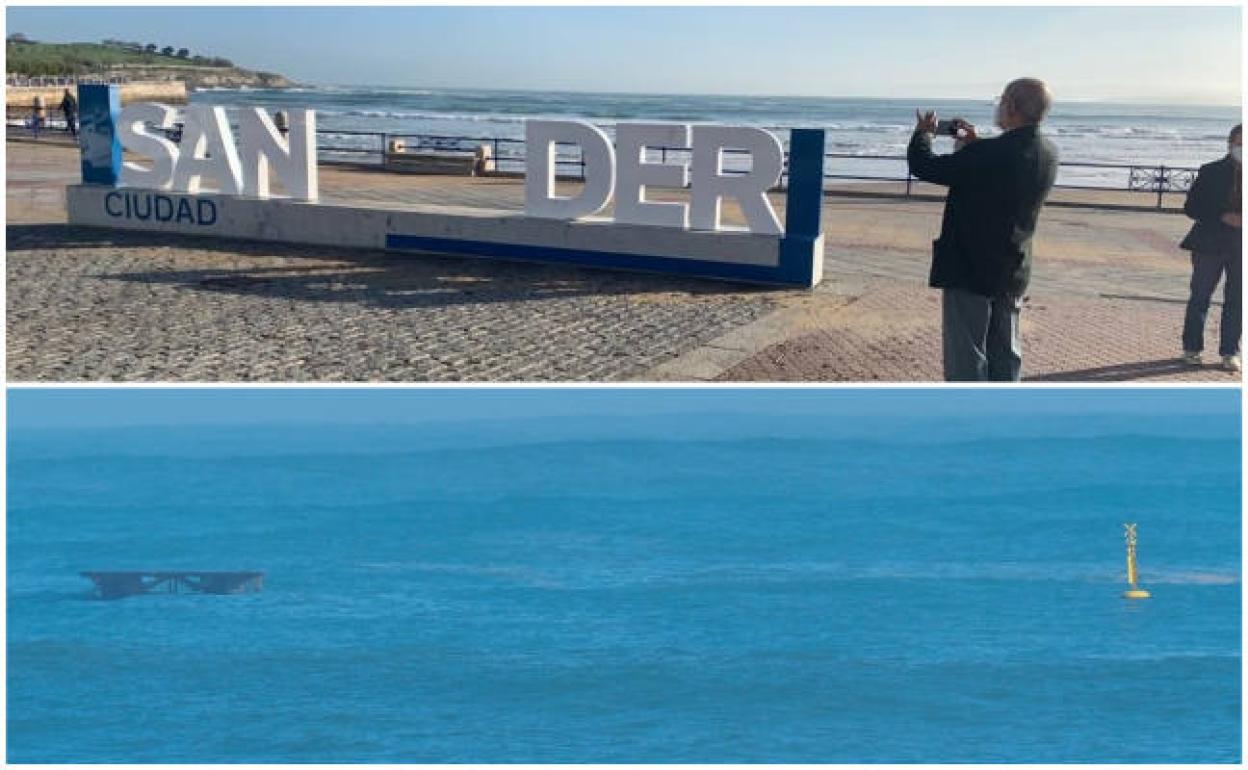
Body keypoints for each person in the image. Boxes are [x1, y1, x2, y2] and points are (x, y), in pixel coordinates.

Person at [907, 78, 1059, 381]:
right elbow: (999, 178)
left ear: (1012, 107)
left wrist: (923, 134)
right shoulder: (1047, 151)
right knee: (1005, 352)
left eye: (1001, 100)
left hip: (971, 269)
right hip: (1013, 267)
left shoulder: (989, 154)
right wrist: (974, 147)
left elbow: (925, 166)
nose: (998, 106)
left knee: (967, 355)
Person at [1179, 124, 1241, 372]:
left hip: (1241, 246)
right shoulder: (1211, 171)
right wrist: (1222, 216)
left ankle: (1230, 352)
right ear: (1230, 144)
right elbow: (1191, 207)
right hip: (1209, 243)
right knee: (1200, 297)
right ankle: (1191, 348)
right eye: (1240, 143)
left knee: (1237, 301)